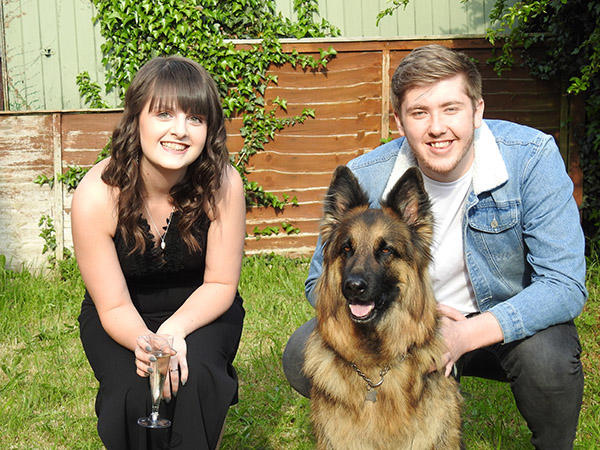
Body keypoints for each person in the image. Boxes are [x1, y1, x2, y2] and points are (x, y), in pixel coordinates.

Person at [282, 44, 587, 449]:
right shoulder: (365, 175)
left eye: (451, 108)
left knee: (549, 359)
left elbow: (564, 285)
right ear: (399, 120)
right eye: (420, 112)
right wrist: (412, 324)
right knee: (302, 351)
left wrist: (467, 334)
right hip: (406, 324)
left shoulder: (531, 158)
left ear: (477, 110)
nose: (437, 127)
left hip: (497, 326)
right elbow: (319, 281)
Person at [73, 56, 246, 450]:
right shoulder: (96, 195)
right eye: (164, 114)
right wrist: (147, 343)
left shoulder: (224, 185)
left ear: (209, 129)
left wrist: (173, 331)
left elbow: (220, 283)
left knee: (196, 375)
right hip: (119, 312)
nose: (180, 131)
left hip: (202, 307)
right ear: (136, 119)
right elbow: (113, 305)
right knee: (133, 393)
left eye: (196, 119)